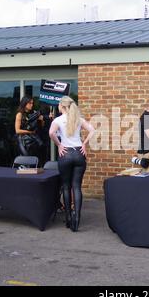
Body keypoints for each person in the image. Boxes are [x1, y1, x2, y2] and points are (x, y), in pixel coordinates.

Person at [49, 96, 95, 232]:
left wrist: (58, 144)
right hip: (79, 154)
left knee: (66, 187)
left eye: (59, 104)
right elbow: (92, 130)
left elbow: (51, 133)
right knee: (77, 187)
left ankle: (69, 217)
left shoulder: (58, 120)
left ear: (62, 106)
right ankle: (77, 218)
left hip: (66, 154)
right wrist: (84, 144)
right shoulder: (78, 119)